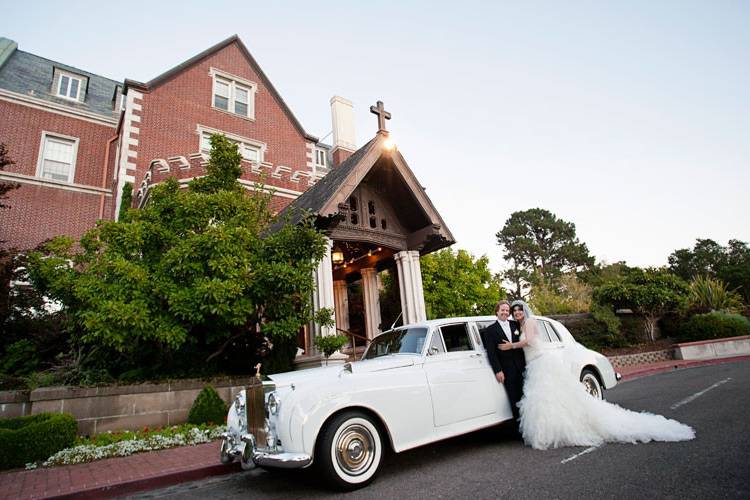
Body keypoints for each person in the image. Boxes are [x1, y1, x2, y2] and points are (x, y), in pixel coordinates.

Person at [500, 299, 695, 450]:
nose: (516, 313)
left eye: (518, 310)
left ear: (524, 310)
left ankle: (560, 431)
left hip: (542, 362)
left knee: (550, 398)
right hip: (533, 365)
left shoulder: (531, 322)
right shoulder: (518, 326)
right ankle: (547, 431)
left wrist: (512, 345)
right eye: (514, 311)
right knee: (544, 400)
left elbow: (532, 340)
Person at [481, 300, 526, 424]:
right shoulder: (490, 330)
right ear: (497, 312)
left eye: (507, 310)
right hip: (507, 369)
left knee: (527, 396)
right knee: (514, 398)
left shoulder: (515, 325)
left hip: (522, 367)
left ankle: (530, 424)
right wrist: (498, 370)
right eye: (503, 310)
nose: (505, 312)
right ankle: (519, 429)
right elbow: (491, 353)